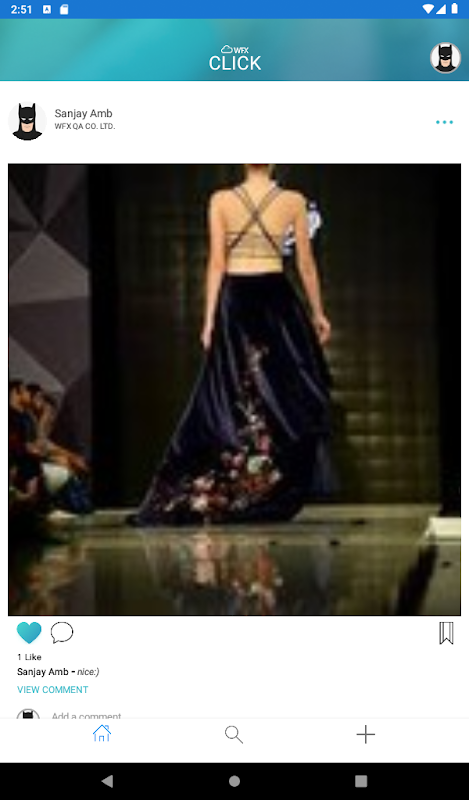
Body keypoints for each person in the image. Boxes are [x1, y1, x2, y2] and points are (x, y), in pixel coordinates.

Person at [131, 164, 334, 526]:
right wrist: (318, 311)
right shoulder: (292, 201)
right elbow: (305, 264)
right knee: (278, 390)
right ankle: (263, 485)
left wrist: (209, 318)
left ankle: (247, 484)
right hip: (275, 298)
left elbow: (216, 264)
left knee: (233, 390)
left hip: (237, 298)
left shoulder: (222, 200)